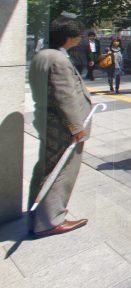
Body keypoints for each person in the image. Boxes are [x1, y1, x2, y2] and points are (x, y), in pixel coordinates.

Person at [27, 16, 92, 237]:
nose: (80, 38)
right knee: (61, 170)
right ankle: (51, 220)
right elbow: (65, 97)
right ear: (68, 37)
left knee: (46, 167)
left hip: (46, 118)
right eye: (77, 35)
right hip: (61, 124)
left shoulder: (41, 55)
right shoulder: (59, 60)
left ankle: (38, 215)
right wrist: (76, 127)